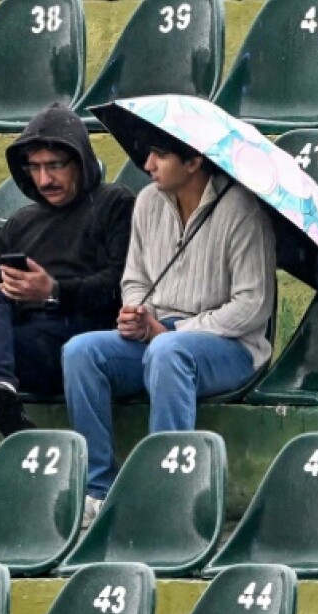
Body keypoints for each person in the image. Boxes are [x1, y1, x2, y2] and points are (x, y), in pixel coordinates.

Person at [0, 104, 134, 526]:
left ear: (80, 160)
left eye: (56, 166)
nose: (45, 179)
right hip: (26, 342)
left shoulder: (114, 203)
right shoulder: (20, 222)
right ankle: (0, 394)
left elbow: (121, 288)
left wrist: (53, 292)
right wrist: (15, 296)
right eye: (36, 167)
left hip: (82, 342)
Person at [63, 139, 275, 524]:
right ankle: (98, 490)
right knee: (81, 351)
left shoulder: (241, 210)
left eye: (159, 155)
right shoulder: (147, 202)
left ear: (193, 161)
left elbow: (251, 306)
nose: (147, 163)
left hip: (231, 346)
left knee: (170, 351)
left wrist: (172, 330)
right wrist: (137, 312)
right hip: (157, 333)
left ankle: (167, 495)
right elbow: (134, 279)